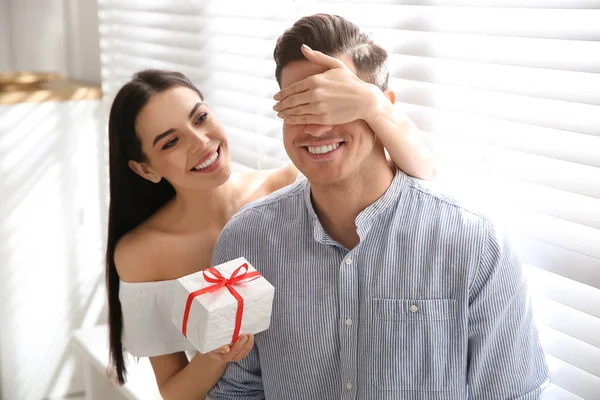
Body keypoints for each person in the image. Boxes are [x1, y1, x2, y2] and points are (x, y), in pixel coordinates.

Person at [207, 14, 549, 399]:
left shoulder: (475, 244)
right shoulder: (244, 242)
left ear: (381, 107)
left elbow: (511, 393)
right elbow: (235, 390)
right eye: (299, 106)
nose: (317, 128)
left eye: (335, 104)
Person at [105, 36, 436, 400]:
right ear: (145, 169)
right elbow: (173, 392)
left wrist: (373, 105)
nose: (200, 142)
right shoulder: (143, 253)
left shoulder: (288, 186)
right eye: (170, 142)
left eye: (200, 118)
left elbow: (422, 180)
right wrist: (218, 355)